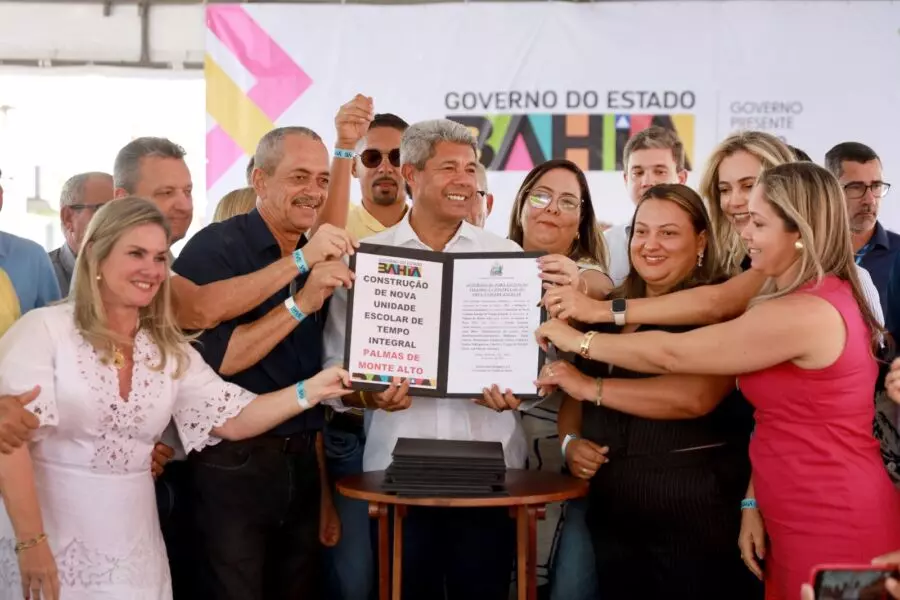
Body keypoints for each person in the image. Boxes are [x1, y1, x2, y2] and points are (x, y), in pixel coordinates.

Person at [536, 161, 900, 600]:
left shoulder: (805, 312)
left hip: (832, 515)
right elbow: (777, 420)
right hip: (786, 508)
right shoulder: (788, 295)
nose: (744, 234)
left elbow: (674, 354)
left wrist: (579, 342)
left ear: (798, 231)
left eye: (758, 223)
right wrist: (753, 501)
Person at [0, 197, 351, 600]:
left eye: (160, 257)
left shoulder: (165, 351)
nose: (151, 269)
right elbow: (10, 446)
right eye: (136, 253)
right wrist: (31, 543)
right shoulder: (43, 331)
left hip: (136, 552)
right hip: (49, 543)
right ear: (96, 256)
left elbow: (236, 416)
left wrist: (314, 389)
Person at [323, 119, 524, 600]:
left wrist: (518, 392)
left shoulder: (509, 258)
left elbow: (530, 367)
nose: (465, 180)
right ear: (411, 175)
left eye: (471, 168)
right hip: (395, 479)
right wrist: (369, 396)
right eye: (449, 167)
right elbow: (337, 374)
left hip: (492, 478)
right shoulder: (366, 260)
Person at [537, 184, 759, 599]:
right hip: (612, 516)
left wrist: (593, 386)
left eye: (668, 233)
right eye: (641, 231)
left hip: (695, 515)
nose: (650, 245)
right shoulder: (605, 309)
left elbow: (693, 397)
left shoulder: (722, 307)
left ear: (701, 241)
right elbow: (571, 394)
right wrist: (570, 443)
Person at [173, 125, 356, 600]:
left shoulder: (309, 253)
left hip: (303, 465)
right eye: (299, 177)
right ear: (259, 180)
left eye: (321, 179)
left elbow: (308, 384)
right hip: (232, 470)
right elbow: (226, 359)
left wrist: (322, 501)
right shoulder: (216, 248)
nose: (313, 192)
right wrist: (301, 303)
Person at [501, 158, 609, 600]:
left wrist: (577, 282)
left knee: (566, 585)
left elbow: (602, 286)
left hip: (562, 455)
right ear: (523, 203)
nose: (551, 209)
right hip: (493, 446)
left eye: (567, 202)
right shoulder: (488, 260)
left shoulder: (586, 273)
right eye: (542, 196)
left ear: (581, 219)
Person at [604, 126, 688, 286]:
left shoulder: (706, 240)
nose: (647, 182)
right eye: (638, 173)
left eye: (659, 171)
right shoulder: (605, 245)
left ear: (681, 178)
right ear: (625, 180)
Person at [825, 142, 897, 316]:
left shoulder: (898, 253)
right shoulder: (807, 253)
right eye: (856, 187)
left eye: (876, 186)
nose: (870, 200)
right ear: (829, 190)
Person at [48, 172, 114, 295]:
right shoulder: (40, 275)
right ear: (68, 217)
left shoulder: (139, 273)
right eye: (103, 210)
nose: (118, 221)